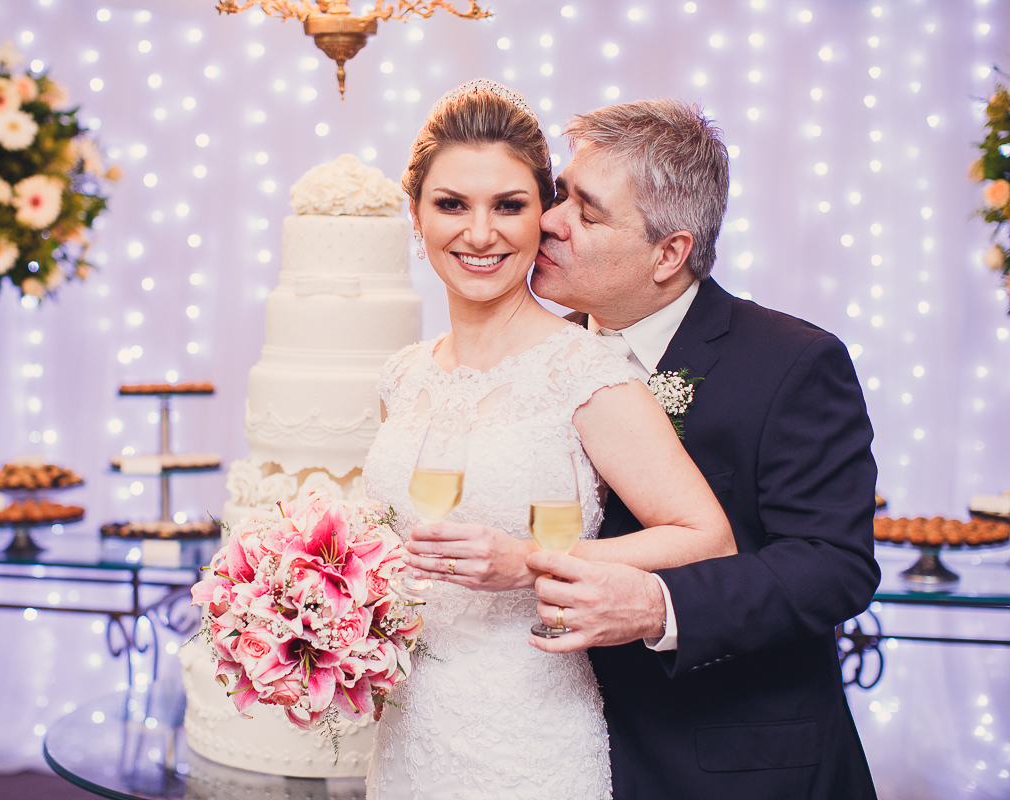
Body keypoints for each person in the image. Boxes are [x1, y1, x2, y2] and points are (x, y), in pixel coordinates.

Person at [362, 80, 735, 800]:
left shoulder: (583, 368)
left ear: (543, 217)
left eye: (509, 205)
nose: (479, 233)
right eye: (450, 205)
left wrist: (532, 563)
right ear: (416, 217)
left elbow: (706, 537)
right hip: (408, 731)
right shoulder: (401, 376)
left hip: (528, 737)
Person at [521, 99, 882, 799]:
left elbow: (833, 565)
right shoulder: (533, 354)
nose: (549, 220)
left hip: (730, 762)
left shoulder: (794, 362)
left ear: (670, 253)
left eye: (587, 212)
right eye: (560, 193)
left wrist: (662, 606)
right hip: (558, 748)